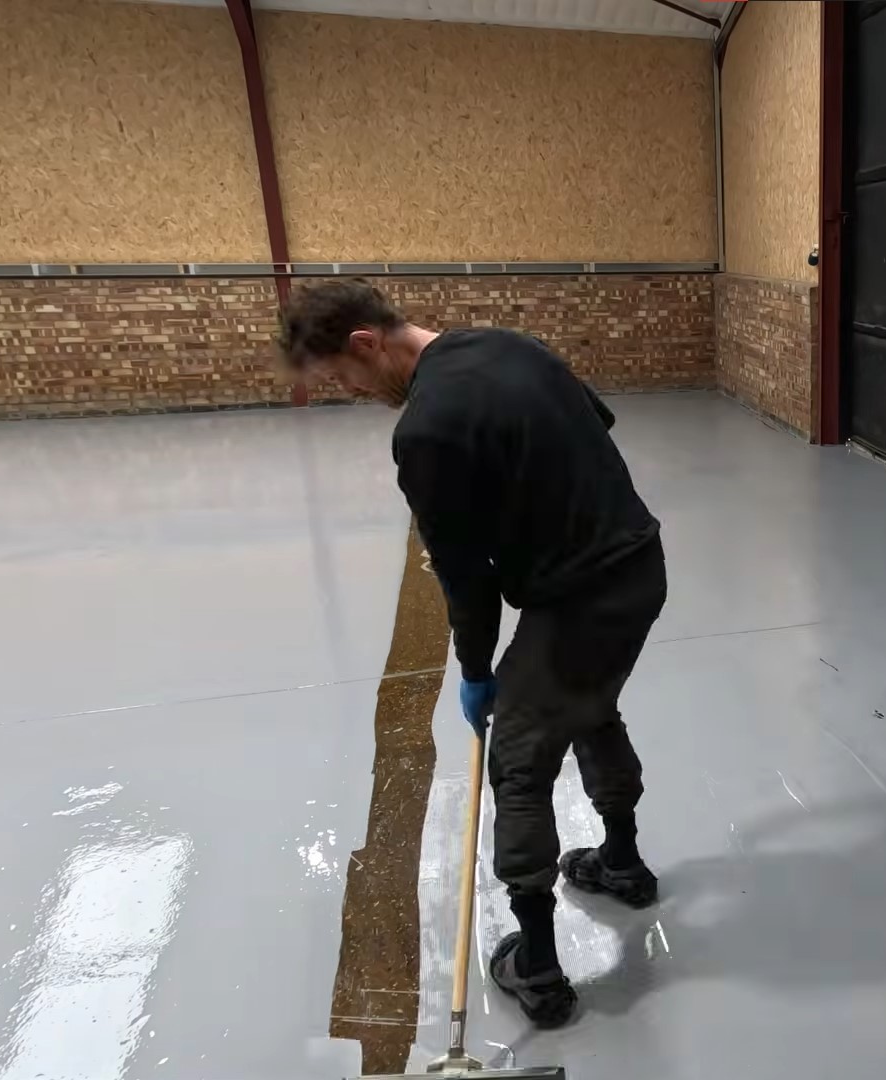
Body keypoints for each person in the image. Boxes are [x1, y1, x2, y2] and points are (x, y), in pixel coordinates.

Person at [277, 280, 667, 1029]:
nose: (350, 392)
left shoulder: (424, 429)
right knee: (590, 708)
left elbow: (465, 578)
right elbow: (598, 422)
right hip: (641, 569)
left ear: (366, 343)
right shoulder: (506, 343)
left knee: (519, 765)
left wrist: (480, 673)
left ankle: (540, 967)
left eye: (341, 377)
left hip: (577, 603)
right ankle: (621, 863)